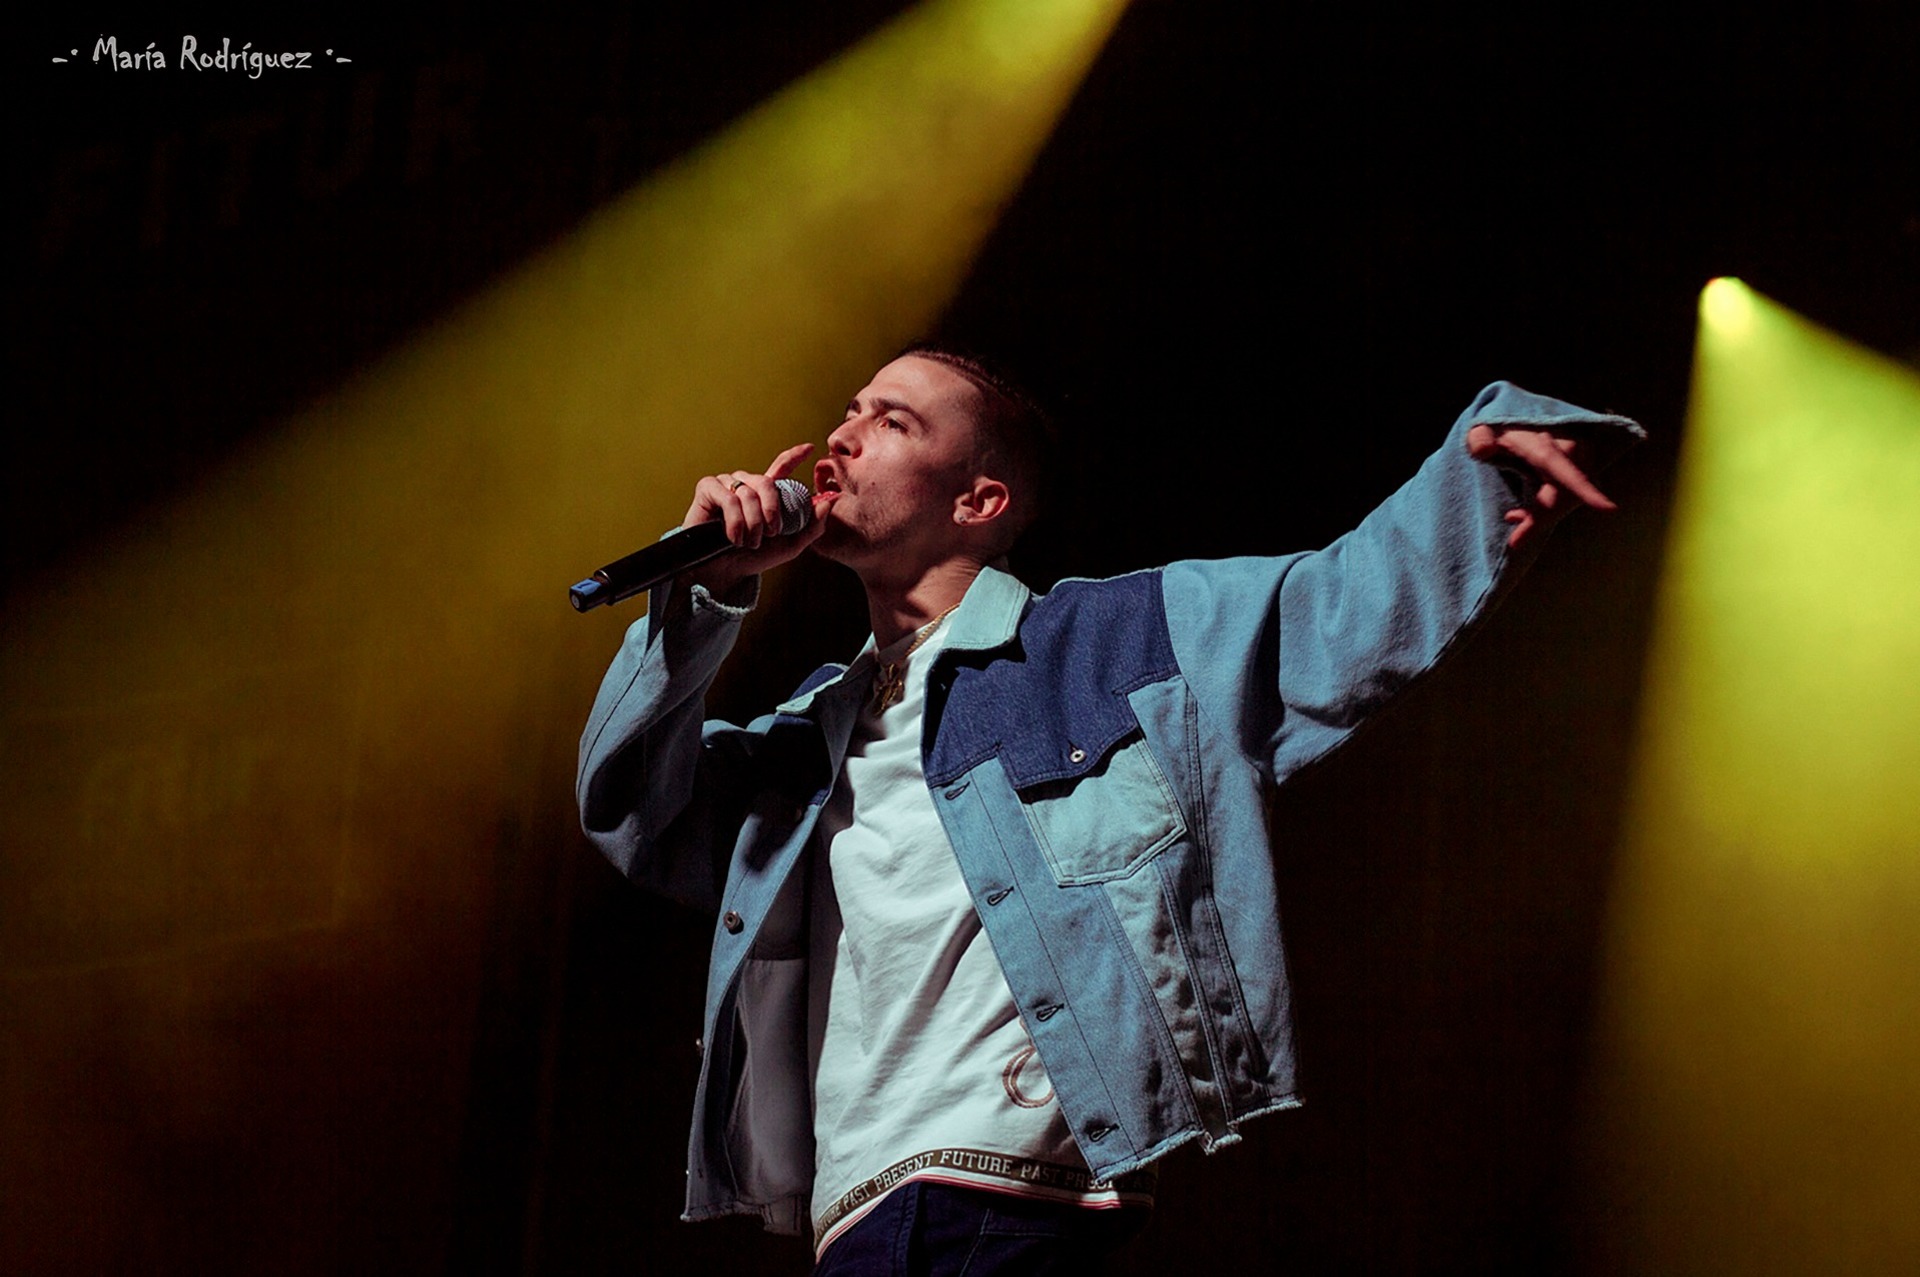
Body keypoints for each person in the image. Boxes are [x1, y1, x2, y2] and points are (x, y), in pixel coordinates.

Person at [576, 347, 1643, 1274]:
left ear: (979, 502)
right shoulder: (808, 734)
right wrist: (706, 595)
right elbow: (633, 812)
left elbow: (1340, 602)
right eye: (850, 411)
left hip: (1010, 1193)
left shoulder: (1115, 642)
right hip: (855, 1212)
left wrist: (1488, 462)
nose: (841, 438)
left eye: (893, 421)